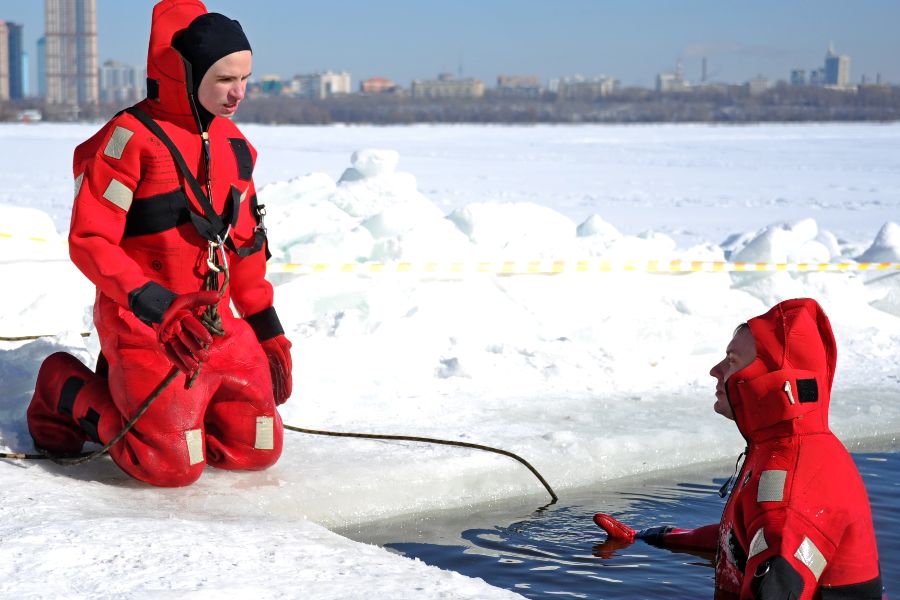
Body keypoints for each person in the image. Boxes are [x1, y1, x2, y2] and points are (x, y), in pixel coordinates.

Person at [26, 0, 292, 487]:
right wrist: (157, 305)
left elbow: (247, 251)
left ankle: (182, 409)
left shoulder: (237, 149)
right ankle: (61, 386)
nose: (238, 94)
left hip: (212, 327)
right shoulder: (128, 141)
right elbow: (90, 241)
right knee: (168, 465)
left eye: (245, 78)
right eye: (224, 80)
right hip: (145, 322)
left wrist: (268, 329)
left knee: (254, 449)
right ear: (186, 74)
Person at [594, 298, 882, 599]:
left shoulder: (790, 486)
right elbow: (741, 541)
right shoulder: (786, 447)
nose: (715, 370)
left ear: (772, 378)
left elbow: (777, 578)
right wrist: (655, 537)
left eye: (731, 361)